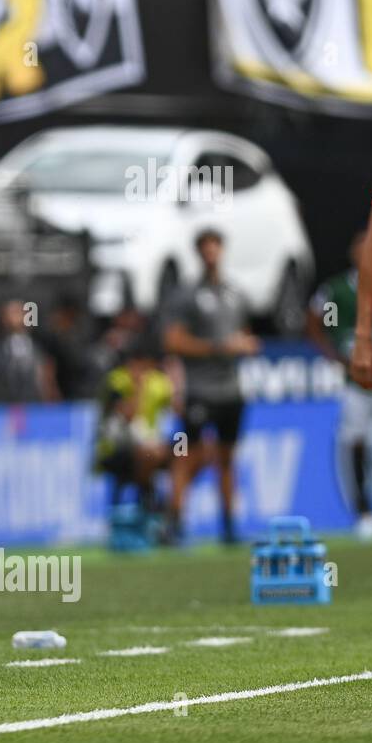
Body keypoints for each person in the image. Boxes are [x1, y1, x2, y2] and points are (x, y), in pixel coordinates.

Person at [161, 228, 260, 546]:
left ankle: (229, 525)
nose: (210, 254)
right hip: (200, 389)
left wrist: (245, 345)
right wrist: (218, 347)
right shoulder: (186, 295)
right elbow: (173, 341)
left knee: (227, 457)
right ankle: (174, 521)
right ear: (198, 253)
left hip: (231, 390)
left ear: (222, 250)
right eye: (205, 249)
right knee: (188, 455)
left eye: (215, 248)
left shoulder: (236, 293)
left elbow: (242, 333)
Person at [308, 231, 372, 540]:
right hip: (356, 382)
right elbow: (314, 318)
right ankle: (362, 510)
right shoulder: (337, 289)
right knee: (355, 442)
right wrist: (334, 355)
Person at [94, 336, 173, 508]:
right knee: (146, 455)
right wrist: (137, 390)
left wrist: (175, 376)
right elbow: (126, 414)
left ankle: (168, 511)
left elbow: (177, 407)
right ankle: (150, 500)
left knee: (180, 455)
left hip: (149, 443)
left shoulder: (158, 383)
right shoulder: (116, 381)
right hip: (115, 446)